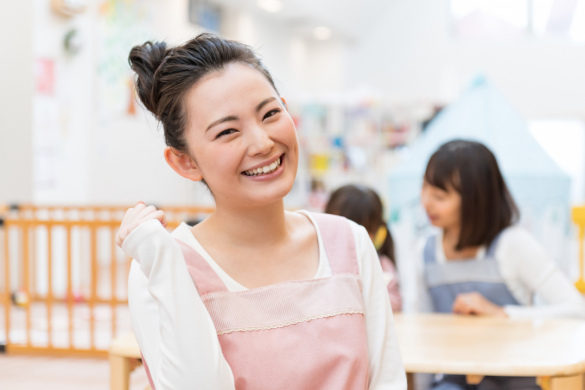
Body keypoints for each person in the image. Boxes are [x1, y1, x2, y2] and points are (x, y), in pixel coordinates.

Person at [116, 33, 406, 390]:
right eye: (228, 131)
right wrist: (161, 258)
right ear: (185, 161)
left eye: (270, 114)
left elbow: (387, 381)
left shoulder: (349, 242)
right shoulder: (162, 267)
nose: (263, 142)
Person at [416, 139, 585, 390]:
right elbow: (420, 329)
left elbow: (576, 310)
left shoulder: (513, 244)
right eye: (425, 189)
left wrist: (502, 313)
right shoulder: (425, 250)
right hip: (452, 381)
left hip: (514, 380)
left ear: (476, 200)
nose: (427, 203)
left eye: (440, 196)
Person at [325, 184, 401, 311]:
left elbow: (396, 304)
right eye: (340, 227)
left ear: (376, 233)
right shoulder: (321, 264)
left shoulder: (382, 266)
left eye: (361, 230)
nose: (350, 236)